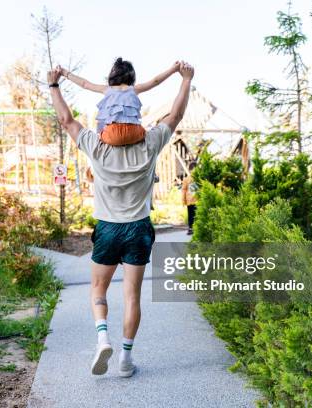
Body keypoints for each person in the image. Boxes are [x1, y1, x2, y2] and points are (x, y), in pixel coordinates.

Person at [47, 61, 195, 378]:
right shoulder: (150, 143)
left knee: (98, 292)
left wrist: (55, 85)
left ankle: (103, 338)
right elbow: (176, 116)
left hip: (108, 229)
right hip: (139, 229)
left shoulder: (96, 146)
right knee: (132, 297)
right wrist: (185, 80)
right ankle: (126, 359)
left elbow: (66, 119)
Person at [59, 58, 179, 146]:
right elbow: (155, 81)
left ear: (112, 75)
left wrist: (65, 73)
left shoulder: (106, 89)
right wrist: (172, 70)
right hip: (133, 133)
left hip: (112, 135)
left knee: (100, 131)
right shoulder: (134, 89)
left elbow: (84, 84)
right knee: (147, 138)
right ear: (131, 76)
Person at [181, 162, 198, 235]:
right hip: (190, 201)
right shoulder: (186, 179)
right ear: (190, 170)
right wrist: (183, 200)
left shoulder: (199, 178)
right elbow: (184, 190)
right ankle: (190, 228)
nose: (195, 172)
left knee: (197, 214)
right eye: (193, 170)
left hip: (198, 201)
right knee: (191, 215)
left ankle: (197, 227)